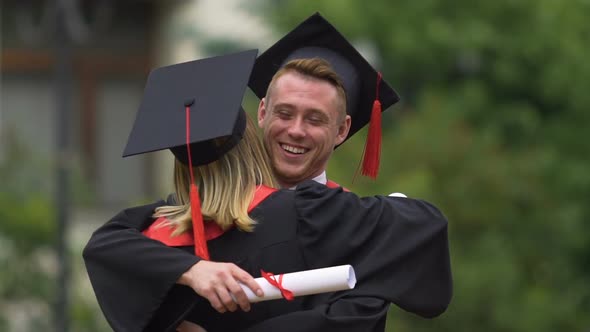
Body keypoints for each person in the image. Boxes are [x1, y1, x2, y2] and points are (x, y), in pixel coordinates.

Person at [83, 14, 452, 332]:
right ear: (262, 113)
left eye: (315, 119)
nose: (295, 130)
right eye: (285, 113)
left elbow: (355, 319)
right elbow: (106, 245)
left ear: (342, 130)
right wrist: (193, 269)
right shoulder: (198, 215)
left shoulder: (352, 225)